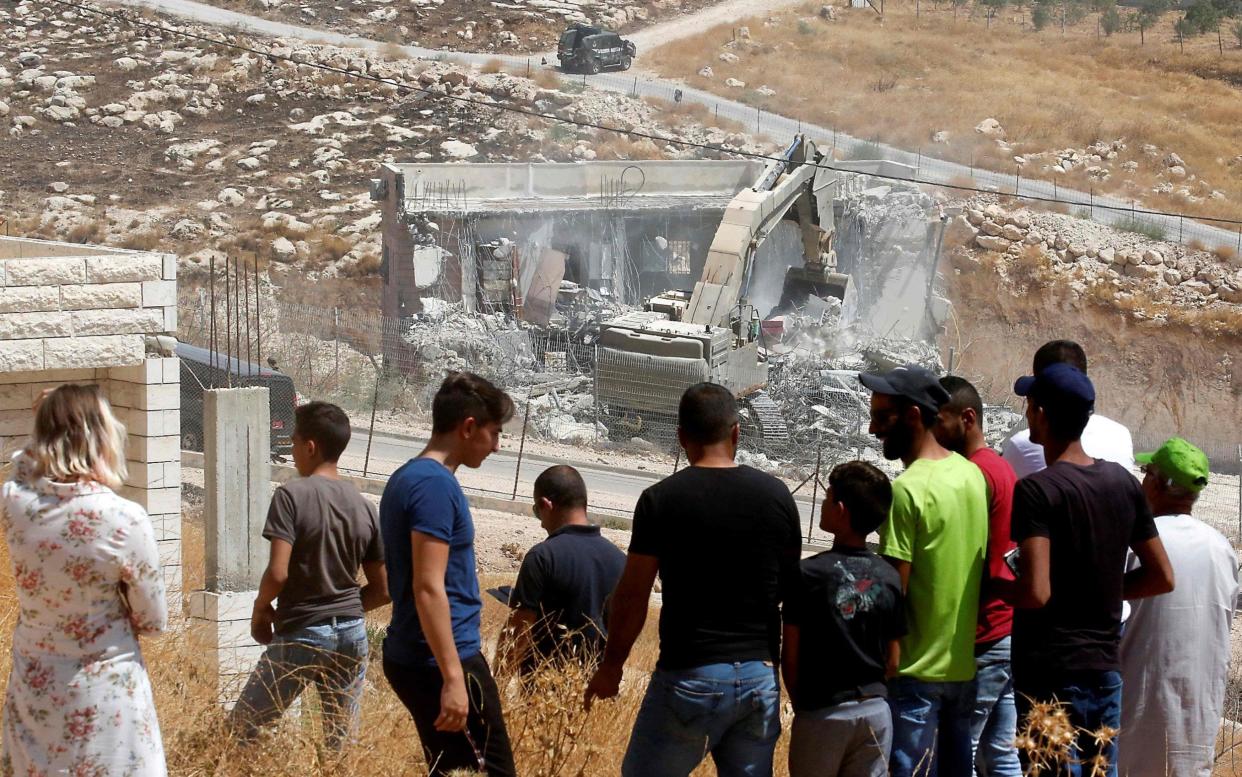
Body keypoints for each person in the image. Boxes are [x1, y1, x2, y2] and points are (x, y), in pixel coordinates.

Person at [584, 382, 801, 777]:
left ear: (681, 436)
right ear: (736, 432)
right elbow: (792, 595)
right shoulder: (777, 496)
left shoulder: (661, 500)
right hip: (758, 678)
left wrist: (612, 665)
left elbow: (633, 595)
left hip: (691, 674)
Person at [1009, 363, 1175, 777]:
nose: (1028, 414)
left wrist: (990, 584)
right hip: (1104, 669)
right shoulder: (1121, 481)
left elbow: (1036, 592)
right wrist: (1102, 588)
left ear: (1042, 415)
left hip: (1050, 674)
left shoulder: (1038, 489)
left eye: (1030, 406)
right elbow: (1161, 576)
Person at [1, 384, 167, 776]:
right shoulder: (123, 519)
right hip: (104, 694)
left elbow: (21, 466)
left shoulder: (14, 502)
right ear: (99, 436)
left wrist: (48, 422)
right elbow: (154, 622)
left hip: (34, 686)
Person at [229, 401, 389, 748]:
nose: (292, 450)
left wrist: (261, 608)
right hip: (352, 635)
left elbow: (278, 572)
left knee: (241, 732)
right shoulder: (364, 506)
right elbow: (384, 588)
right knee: (340, 745)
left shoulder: (291, 495)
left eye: (294, 442)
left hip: (303, 631)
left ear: (311, 447)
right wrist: (344, 610)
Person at [380, 372, 517, 777]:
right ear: (469, 427)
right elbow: (427, 586)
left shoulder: (411, 476)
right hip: (441, 659)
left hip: (424, 656)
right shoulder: (434, 485)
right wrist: (454, 678)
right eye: (494, 433)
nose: (497, 446)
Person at [858, 364, 988, 777]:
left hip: (912, 671)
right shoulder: (972, 476)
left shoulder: (907, 490)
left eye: (882, 417)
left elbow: (894, 588)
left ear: (913, 416)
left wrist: (881, 662)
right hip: (962, 668)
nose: (873, 428)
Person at [1119, 438, 1237, 777]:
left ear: (1156, 483)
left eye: (1146, 472)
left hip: (1137, 705)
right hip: (1197, 712)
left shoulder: (1141, 543)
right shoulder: (1221, 548)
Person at [783, 461, 906, 777]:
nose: (822, 505)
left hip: (824, 711)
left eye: (826, 499)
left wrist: (804, 707)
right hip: (876, 713)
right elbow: (893, 660)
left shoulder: (808, 574)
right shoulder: (889, 577)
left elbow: (791, 656)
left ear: (840, 510)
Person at [935, 376, 1021, 777]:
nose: (934, 431)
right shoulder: (1001, 467)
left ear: (967, 418)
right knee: (1002, 753)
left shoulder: (975, 475)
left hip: (982, 634)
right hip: (1005, 629)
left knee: (957, 751)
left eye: (941, 421)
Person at [494, 465, 625, 677]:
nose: (541, 524)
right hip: (599, 692)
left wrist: (498, 686)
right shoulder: (621, 561)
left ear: (546, 505)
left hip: (544, 695)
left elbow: (519, 631)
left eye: (538, 512)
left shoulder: (543, 557)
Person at [1001, 340, 1134, 478]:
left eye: (1031, 401)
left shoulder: (1021, 445)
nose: (1028, 413)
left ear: (1040, 412)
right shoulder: (1121, 435)